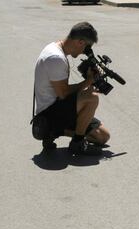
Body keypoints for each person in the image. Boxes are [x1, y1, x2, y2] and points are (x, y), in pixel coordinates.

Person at [34, 22, 110, 154]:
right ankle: (77, 143)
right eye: (87, 47)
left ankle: (55, 132)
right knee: (92, 98)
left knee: (102, 136)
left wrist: (90, 82)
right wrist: (88, 82)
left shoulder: (56, 48)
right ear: (80, 42)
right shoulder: (56, 58)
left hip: (60, 108)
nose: (84, 52)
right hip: (49, 113)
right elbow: (63, 93)